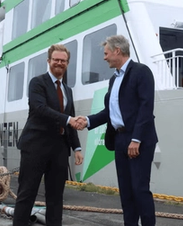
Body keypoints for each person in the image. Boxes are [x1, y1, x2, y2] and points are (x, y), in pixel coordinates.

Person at [75, 35, 158, 226]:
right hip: (120, 140)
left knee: (139, 189)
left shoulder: (141, 72)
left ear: (117, 51)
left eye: (106, 53)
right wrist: (87, 120)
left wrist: (136, 139)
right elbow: (109, 112)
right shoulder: (114, 80)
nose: (104, 58)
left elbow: (146, 107)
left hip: (139, 140)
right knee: (126, 192)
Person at [13, 44, 84, 226]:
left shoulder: (67, 90)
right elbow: (40, 109)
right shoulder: (37, 83)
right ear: (49, 61)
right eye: (56, 60)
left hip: (59, 149)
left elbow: (71, 121)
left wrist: (76, 147)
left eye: (63, 60)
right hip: (35, 147)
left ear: (67, 63)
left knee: (56, 197)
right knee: (27, 194)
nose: (59, 63)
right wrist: (69, 119)